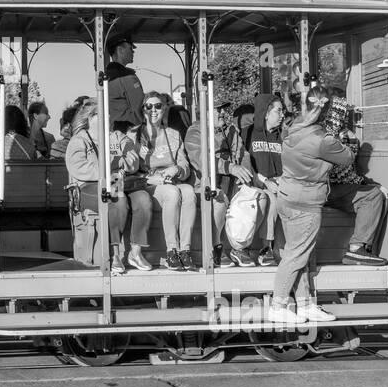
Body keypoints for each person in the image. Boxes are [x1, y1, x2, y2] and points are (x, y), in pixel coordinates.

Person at [270, 85, 352, 324]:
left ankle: (305, 305)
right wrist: (340, 135)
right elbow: (347, 157)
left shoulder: (291, 129)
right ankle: (278, 305)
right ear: (326, 112)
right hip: (306, 203)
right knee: (296, 255)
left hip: (287, 196)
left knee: (302, 253)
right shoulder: (322, 140)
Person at [64, 99, 152, 274]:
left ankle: (135, 252)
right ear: (90, 117)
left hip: (120, 182)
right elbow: (78, 167)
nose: (108, 116)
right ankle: (115, 253)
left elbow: (133, 162)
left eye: (108, 113)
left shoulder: (118, 136)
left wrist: (120, 164)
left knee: (143, 199)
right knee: (117, 199)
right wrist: (110, 170)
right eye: (101, 113)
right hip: (90, 187)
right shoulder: (79, 140)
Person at [127, 91, 198, 271]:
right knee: (172, 193)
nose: (153, 110)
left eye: (158, 106)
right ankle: (171, 250)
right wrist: (153, 178)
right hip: (148, 184)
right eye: (149, 106)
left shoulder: (173, 134)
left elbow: (184, 164)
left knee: (189, 192)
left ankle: (185, 251)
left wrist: (178, 169)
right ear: (143, 109)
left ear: (164, 108)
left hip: (172, 180)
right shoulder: (133, 136)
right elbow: (128, 170)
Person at [320, 91, 388, 264]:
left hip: (338, 188)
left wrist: (365, 181)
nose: (348, 118)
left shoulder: (345, 135)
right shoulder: (328, 134)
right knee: (372, 196)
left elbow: (351, 170)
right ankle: (357, 248)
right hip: (329, 188)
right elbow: (337, 169)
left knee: (374, 193)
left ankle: (361, 246)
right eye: (343, 113)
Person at [185, 102, 254, 266]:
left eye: (224, 109)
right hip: (205, 187)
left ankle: (240, 248)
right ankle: (216, 248)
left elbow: (243, 153)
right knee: (218, 198)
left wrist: (243, 172)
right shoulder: (195, 132)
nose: (223, 112)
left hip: (231, 183)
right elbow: (201, 161)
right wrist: (230, 167)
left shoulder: (230, 131)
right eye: (218, 109)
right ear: (205, 112)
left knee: (259, 197)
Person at [243, 93, 286, 267]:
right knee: (271, 198)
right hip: (256, 184)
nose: (282, 115)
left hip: (280, 183)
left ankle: (285, 249)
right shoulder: (248, 134)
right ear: (266, 113)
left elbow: (289, 163)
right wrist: (264, 181)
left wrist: (282, 179)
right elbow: (245, 165)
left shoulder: (281, 136)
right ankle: (266, 248)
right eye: (279, 110)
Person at [105, 37, 145, 132]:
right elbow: (139, 108)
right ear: (120, 50)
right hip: (130, 132)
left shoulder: (107, 77)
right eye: (131, 49)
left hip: (113, 132)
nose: (133, 52)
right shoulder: (127, 78)